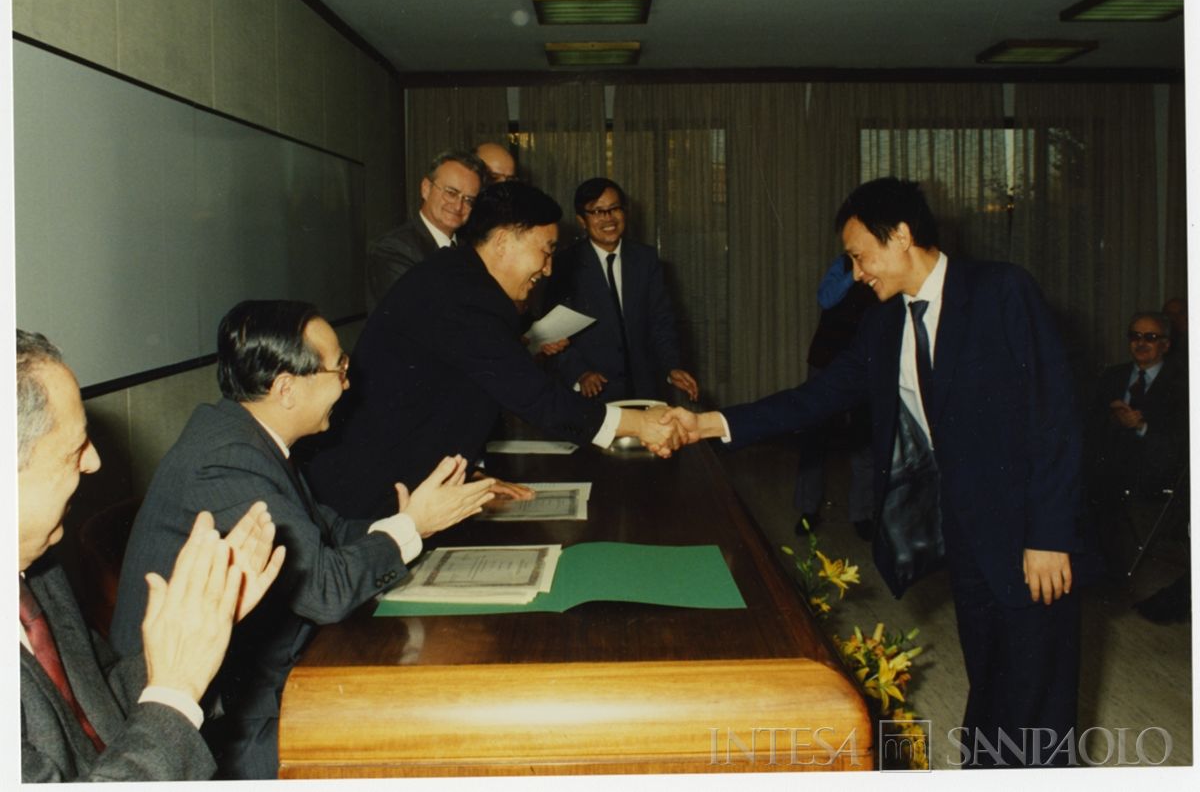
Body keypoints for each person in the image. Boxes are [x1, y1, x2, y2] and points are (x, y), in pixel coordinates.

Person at [666, 177, 1083, 768]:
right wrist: (709, 424)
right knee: (990, 679)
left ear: (903, 236)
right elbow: (818, 396)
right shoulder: (885, 325)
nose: (857, 273)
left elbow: (1055, 417)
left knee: (1038, 700)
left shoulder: (1002, 291)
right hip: (964, 534)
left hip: (1029, 538)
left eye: (861, 256)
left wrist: (1049, 535)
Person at [108, 301, 495, 779]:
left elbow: (324, 530)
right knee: (427, 731)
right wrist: (410, 528)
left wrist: (414, 519)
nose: (348, 383)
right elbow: (326, 593)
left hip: (261, 682)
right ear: (287, 389)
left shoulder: (246, 437)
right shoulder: (227, 458)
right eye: (340, 369)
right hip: (222, 726)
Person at [304, 182, 685, 520]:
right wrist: (640, 423)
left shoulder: (462, 280)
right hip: (363, 497)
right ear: (503, 242)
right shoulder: (465, 295)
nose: (548, 269)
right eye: (545, 251)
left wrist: (466, 475)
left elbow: (442, 392)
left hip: (396, 478)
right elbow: (533, 395)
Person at [17, 328, 284, 781]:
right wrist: (175, 694)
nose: (94, 461)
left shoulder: (38, 576)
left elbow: (102, 710)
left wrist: (206, 625)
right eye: (73, 449)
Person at [546, 178, 699, 404]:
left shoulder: (645, 260)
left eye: (614, 208)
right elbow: (552, 333)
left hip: (643, 391)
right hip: (591, 394)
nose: (608, 218)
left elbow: (661, 322)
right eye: (598, 211)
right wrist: (580, 373)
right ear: (582, 220)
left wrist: (671, 367)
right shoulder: (564, 266)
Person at [1084, 312, 1189, 587]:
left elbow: (1183, 440)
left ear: (1166, 344)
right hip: (1110, 461)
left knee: (1098, 486)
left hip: (1158, 466)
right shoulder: (1113, 375)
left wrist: (1142, 426)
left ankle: (1107, 569)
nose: (1141, 343)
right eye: (1135, 336)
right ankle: (1093, 567)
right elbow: (1091, 423)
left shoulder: (1184, 381)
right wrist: (1113, 417)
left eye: (1151, 338)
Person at [792, 255, 877, 538]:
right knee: (814, 437)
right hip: (826, 361)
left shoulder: (887, 267)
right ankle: (807, 510)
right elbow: (826, 298)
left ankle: (863, 514)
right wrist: (853, 274)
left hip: (864, 364)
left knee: (864, 442)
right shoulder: (842, 265)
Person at [365, 149, 489, 310]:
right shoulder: (392, 249)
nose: (458, 206)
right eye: (451, 193)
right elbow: (419, 316)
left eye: (469, 200)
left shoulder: (470, 250)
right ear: (426, 188)